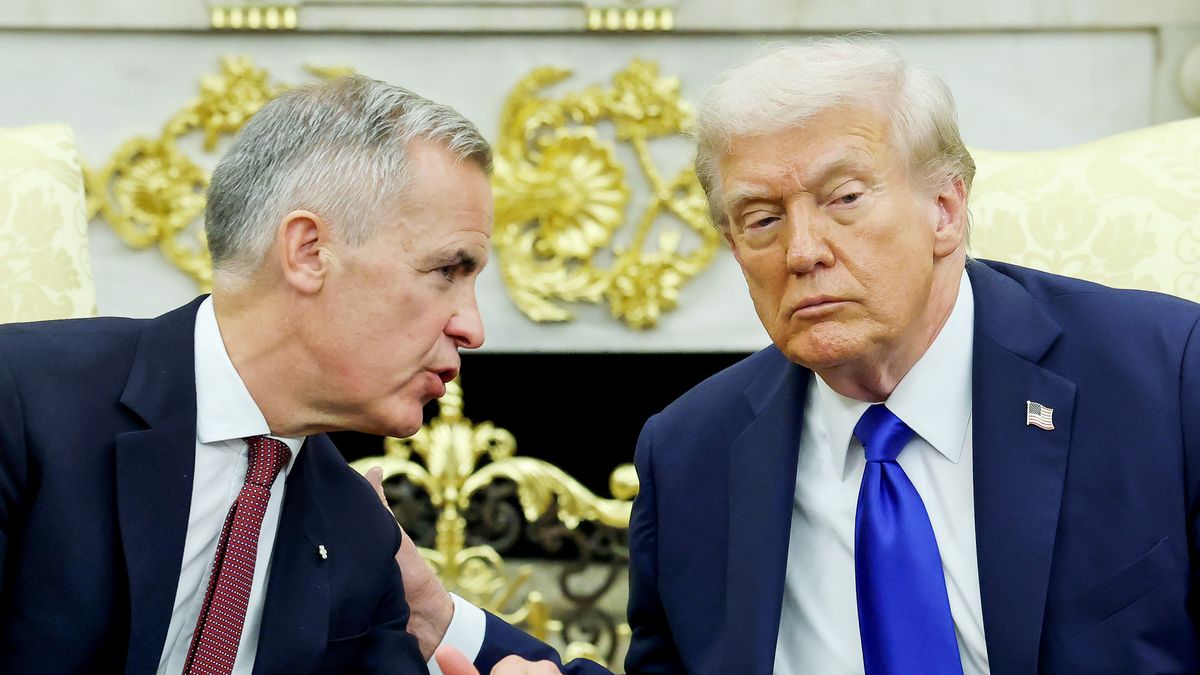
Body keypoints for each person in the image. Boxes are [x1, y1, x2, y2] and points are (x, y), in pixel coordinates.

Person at [399, 37, 1200, 674]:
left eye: (844, 199)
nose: (803, 250)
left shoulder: (1160, 375)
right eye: (760, 218)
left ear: (946, 209)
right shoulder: (691, 454)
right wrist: (456, 624)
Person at [0, 75, 494, 673]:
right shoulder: (21, 401)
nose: (472, 327)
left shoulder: (360, 532)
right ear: (310, 252)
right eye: (447, 269)